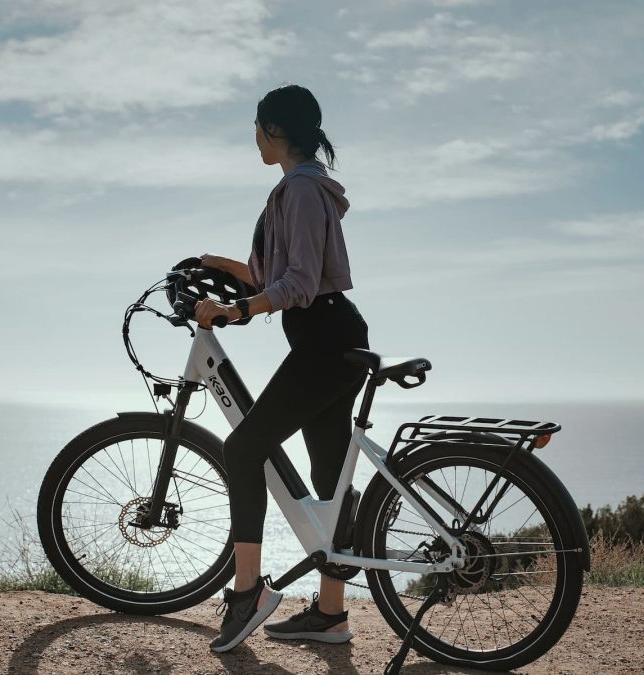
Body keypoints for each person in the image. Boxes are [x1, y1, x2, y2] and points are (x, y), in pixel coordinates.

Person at [194, 84, 369, 653]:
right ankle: (331, 615)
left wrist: (238, 309)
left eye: (256, 129)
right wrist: (210, 266)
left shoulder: (298, 190)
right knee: (328, 476)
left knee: (242, 449)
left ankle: (247, 592)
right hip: (333, 335)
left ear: (272, 130)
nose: (254, 140)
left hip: (323, 342)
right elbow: (274, 272)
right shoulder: (303, 187)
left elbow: (294, 284)